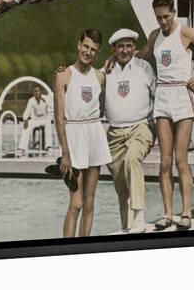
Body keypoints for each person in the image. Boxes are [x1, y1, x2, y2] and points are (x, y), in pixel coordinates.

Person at [136, 0, 194, 230]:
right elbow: (142, 54)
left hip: (182, 97)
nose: (162, 21)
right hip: (162, 96)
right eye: (158, 17)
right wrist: (116, 57)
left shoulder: (185, 32)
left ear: (173, 12)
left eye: (166, 16)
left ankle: (186, 212)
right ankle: (168, 213)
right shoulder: (154, 36)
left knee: (181, 159)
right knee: (164, 161)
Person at [53, 29, 112, 237]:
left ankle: (84, 247)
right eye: (85, 46)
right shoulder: (63, 75)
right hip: (74, 137)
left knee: (89, 202)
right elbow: (59, 118)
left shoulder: (100, 77)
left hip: (94, 134)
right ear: (79, 45)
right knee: (76, 203)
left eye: (93, 49)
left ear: (97, 53)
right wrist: (65, 152)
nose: (88, 52)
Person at [105, 29, 156, 234]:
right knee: (121, 187)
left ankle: (139, 217)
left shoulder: (144, 67)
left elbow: (157, 95)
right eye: (120, 46)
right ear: (114, 49)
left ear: (134, 47)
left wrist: (156, 126)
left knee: (132, 159)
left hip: (140, 127)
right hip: (114, 134)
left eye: (129, 45)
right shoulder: (107, 69)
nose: (125, 50)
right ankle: (128, 228)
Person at [17, 86, 53, 156]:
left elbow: (52, 108)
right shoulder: (31, 100)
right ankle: (22, 148)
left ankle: (49, 146)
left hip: (45, 118)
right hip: (36, 119)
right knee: (26, 126)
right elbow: (27, 110)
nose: (36, 93)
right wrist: (25, 119)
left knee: (48, 123)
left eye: (38, 91)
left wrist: (46, 102)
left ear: (41, 92)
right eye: (35, 91)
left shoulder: (46, 98)